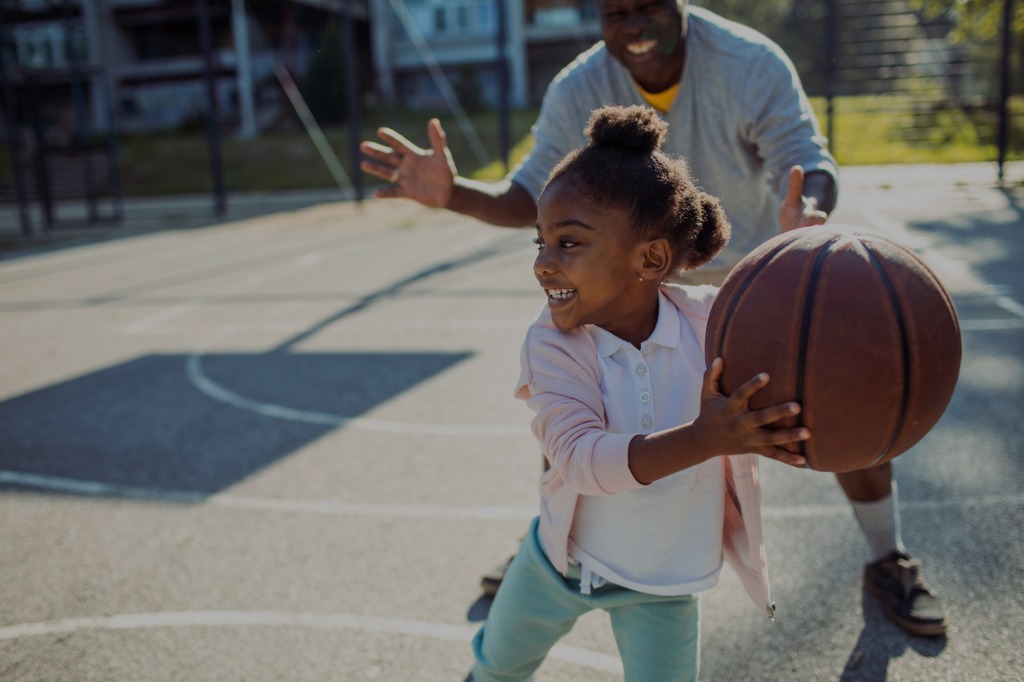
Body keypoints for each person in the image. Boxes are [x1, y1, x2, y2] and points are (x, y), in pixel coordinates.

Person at [360, 0, 946, 638]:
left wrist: (805, 214)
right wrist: (454, 193)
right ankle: (552, 547)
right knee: (577, 411)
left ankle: (886, 555)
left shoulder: (748, 62)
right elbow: (529, 193)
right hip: (618, 284)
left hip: (744, 283)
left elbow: (805, 159)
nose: (631, 25)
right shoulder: (579, 85)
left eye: (645, 9)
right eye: (615, 13)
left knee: (833, 389)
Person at [469, 103, 810, 682]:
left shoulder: (711, 325)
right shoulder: (552, 344)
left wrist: (801, 263)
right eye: (541, 244)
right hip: (561, 563)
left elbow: (788, 334)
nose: (544, 265)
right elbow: (577, 460)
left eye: (568, 244)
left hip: (664, 581)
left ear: (650, 259)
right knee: (497, 667)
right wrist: (704, 439)